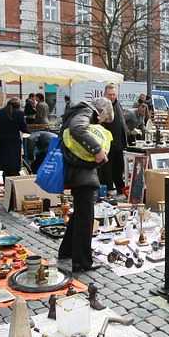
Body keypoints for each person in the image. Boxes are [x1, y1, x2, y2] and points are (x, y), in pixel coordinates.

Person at [58, 97, 113, 272]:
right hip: (81, 172)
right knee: (85, 218)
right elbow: (78, 128)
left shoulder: (80, 110)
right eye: (102, 120)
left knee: (79, 214)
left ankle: (66, 251)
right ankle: (81, 262)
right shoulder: (86, 112)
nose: (99, 124)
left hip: (77, 171)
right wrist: (97, 150)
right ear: (101, 111)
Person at [99, 84, 128, 196]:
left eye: (113, 94)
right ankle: (108, 190)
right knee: (107, 170)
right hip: (107, 144)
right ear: (105, 94)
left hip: (119, 143)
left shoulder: (117, 104)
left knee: (119, 168)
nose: (112, 96)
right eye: (110, 94)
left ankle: (121, 189)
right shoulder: (102, 106)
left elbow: (121, 122)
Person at [0, 98, 28, 178]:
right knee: (14, 165)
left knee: (5, 165)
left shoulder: (1, 112)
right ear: (18, 105)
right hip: (14, 141)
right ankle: (14, 185)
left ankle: (6, 185)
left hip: (3, 141)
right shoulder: (20, 113)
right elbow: (23, 128)